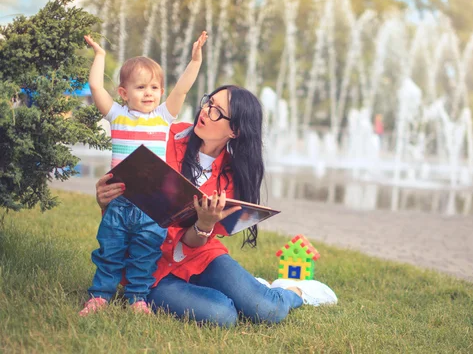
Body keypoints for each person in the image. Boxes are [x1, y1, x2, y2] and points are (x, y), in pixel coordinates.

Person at [93, 85, 337, 326]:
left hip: (198, 254)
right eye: (209, 103)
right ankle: (249, 289)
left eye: (217, 111)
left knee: (268, 310)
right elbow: (126, 194)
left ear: (235, 131)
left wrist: (204, 224)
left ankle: (294, 290)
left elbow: (193, 241)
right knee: (222, 315)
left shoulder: (231, 175)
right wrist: (106, 199)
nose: (205, 111)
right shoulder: (164, 135)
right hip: (147, 266)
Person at [79, 32, 209, 315]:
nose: (149, 93)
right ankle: (100, 295)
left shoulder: (163, 117)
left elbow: (183, 90)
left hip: (152, 204)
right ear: (124, 93)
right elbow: (95, 86)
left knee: (146, 252)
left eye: (154, 87)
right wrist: (100, 56)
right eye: (140, 87)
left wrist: (195, 59)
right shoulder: (116, 115)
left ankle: (138, 297)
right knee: (110, 250)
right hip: (120, 201)